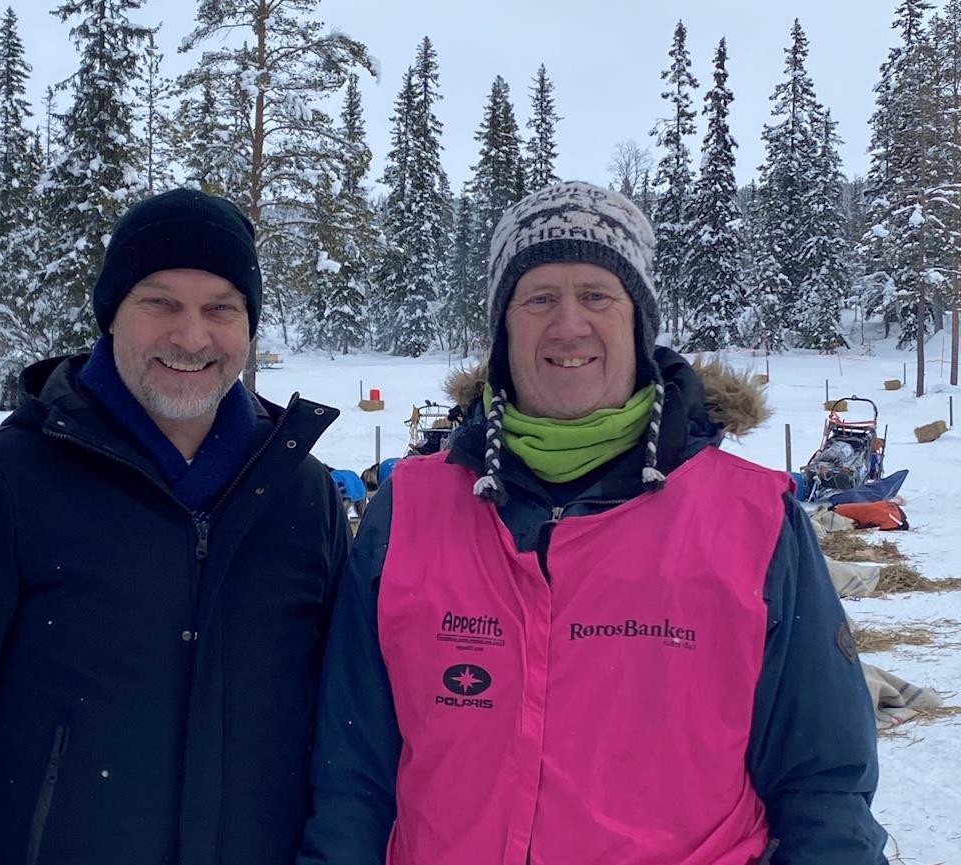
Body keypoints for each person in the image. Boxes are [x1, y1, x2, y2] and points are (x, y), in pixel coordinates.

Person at [298, 181, 887, 865]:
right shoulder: (408, 511)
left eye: (597, 296)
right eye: (539, 298)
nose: (569, 325)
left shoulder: (753, 520)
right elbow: (351, 779)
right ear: (503, 328)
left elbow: (823, 786)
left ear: (638, 323)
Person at [0, 189, 350, 865]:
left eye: (221, 308)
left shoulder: (302, 495)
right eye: (160, 302)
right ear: (112, 312)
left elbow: (344, 737)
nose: (192, 337)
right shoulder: (1, 486)